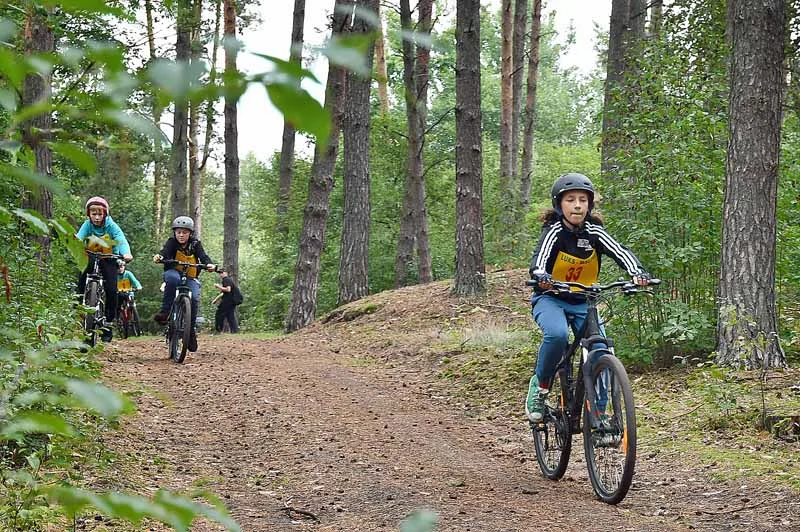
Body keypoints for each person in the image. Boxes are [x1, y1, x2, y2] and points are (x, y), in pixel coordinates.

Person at [526, 173, 652, 422]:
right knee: (557, 335)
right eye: (571, 199)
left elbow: (620, 251)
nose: (577, 205)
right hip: (551, 298)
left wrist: (637, 273)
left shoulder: (594, 232)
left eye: (583, 200)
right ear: (559, 204)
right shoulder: (554, 232)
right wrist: (541, 275)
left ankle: (599, 414)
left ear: (589, 204)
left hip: (584, 301)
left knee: (601, 349)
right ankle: (539, 389)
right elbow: (539, 260)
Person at [153, 216, 216, 352]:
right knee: (172, 280)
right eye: (178, 232)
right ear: (175, 232)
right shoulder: (171, 242)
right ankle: (165, 312)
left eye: (185, 232)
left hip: (190, 276)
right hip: (173, 271)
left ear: (190, 233)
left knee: (193, 298)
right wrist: (160, 257)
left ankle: (190, 330)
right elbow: (164, 252)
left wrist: (209, 264)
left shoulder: (195, 244)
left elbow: (203, 256)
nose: (181, 235)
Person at [76, 196, 133, 342]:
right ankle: (78, 310)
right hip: (90, 256)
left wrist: (126, 253)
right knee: (81, 281)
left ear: (105, 214)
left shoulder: (111, 226)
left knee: (112, 289)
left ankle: (107, 322)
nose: (96, 217)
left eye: (99, 214)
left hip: (108, 258)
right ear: (88, 214)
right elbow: (79, 238)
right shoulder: (87, 225)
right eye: (93, 214)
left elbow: (120, 240)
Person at [211, 269, 240, 333]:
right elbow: (224, 293)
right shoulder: (227, 280)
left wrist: (218, 286)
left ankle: (218, 331)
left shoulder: (226, 279)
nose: (220, 274)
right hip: (231, 301)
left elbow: (228, 290)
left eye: (222, 272)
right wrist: (216, 299)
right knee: (230, 316)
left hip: (228, 301)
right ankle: (234, 331)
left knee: (219, 314)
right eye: (219, 273)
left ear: (226, 273)